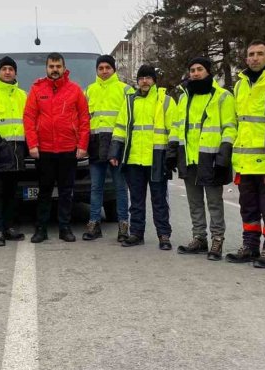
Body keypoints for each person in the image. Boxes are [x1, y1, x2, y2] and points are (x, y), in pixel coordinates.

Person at [225, 41, 265, 269]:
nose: (254, 58)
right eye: (250, 54)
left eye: (260, 53)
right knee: (248, 208)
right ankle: (250, 247)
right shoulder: (240, 85)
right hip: (245, 161)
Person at [171, 57, 236, 261]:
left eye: (200, 69)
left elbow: (230, 127)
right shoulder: (184, 97)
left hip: (211, 157)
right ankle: (199, 237)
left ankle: (217, 239)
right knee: (195, 202)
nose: (195, 73)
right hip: (189, 157)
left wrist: (224, 152)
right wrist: (172, 151)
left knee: (214, 202)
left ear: (208, 72)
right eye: (192, 70)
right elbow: (178, 126)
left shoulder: (223, 96)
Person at [23, 52, 90, 243]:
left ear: (63, 67)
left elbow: (84, 119)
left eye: (58, 66)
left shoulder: (75, 90)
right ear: (46, 68)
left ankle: (65, 228)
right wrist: (33, 144)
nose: (54, 70)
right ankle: (41, 229)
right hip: (44, 150)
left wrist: (82, 145)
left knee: (66, 192)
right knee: (44, 192)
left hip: (68, 149)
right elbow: (29, 118)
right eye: (51, 66)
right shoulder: (37, 89)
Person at [108, 64, 174, 249]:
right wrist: (115, 151)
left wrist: (172, 155)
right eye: (141, 78)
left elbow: (173, 129)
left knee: (159, 200)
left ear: (154, 80)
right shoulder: (129, 101)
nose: (144, 81)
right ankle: (136, 233)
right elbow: (120, 128)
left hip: (156, 159)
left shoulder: (165, 100)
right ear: (137, 81)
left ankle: (164, 235)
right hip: (134, 159)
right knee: (136, 200)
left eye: (148, 78)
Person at [82, 54, 132, 241]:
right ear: (96, 70)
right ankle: (94, 224)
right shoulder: (88, 90)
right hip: (95, 145)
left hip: (117, 144)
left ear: (114, 69)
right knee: (96, 187)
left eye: (107, 68)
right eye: (101, 68)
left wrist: (121, 145)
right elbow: (84, 120)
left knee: (120, 187)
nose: (104, 71)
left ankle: (123, 226)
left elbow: (129, 120)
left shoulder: (125, 90)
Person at [0, 56, 27, 246]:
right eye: (4, 69)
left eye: (11, 69)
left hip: (18, 152)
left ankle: (9, 227)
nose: (7, 72)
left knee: (12, 193)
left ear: (15, 72)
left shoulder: (23, 95)